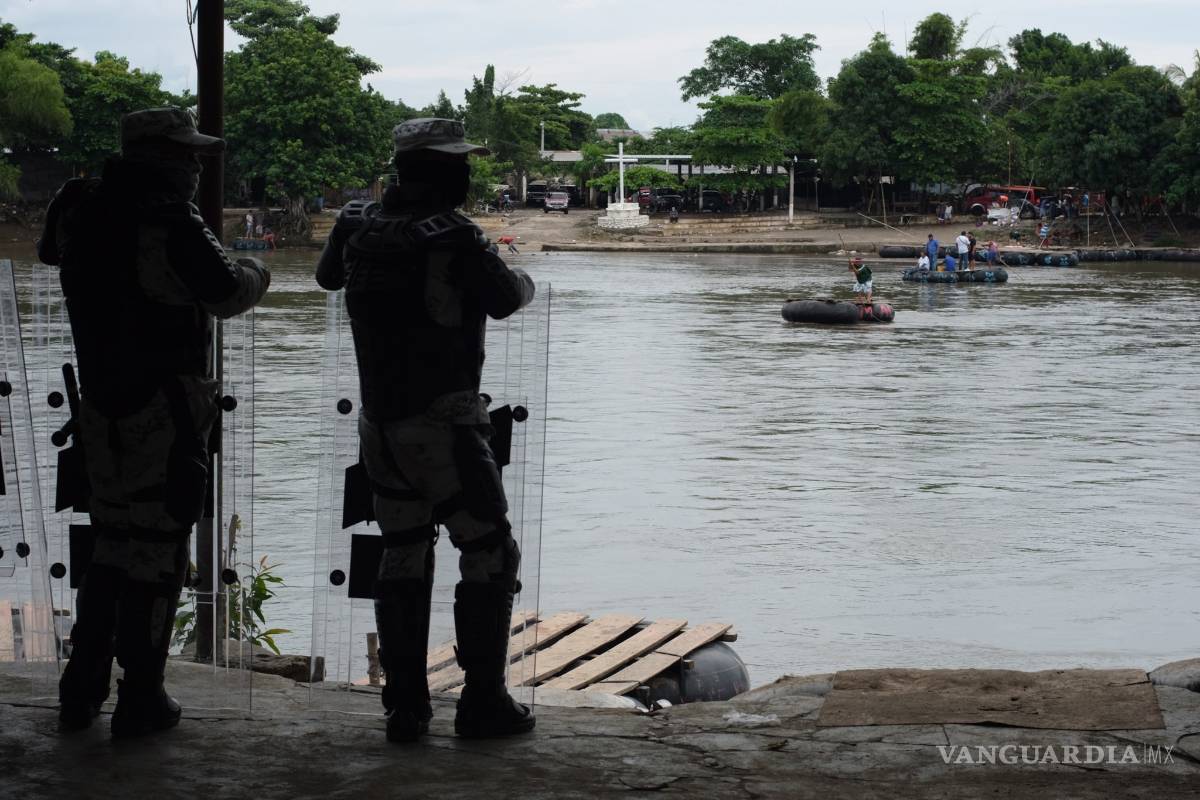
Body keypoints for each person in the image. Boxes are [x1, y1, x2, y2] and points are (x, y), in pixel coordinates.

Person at [37, 107, 270, 737]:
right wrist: (258, 271)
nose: (196, 166)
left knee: (110, 542)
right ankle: (141, 695)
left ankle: (81, 688)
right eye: (187, 154)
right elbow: (226, 292)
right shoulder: (170, 218)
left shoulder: (76, 204)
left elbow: (52, 255)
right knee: (160, 550)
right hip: (164, 409)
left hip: (98, 405)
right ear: (163, 159)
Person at [316, 118, 536, 743]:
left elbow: (327, 278)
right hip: (445, 422)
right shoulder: (456, 237)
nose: (467, 173)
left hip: (379, 424)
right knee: (490, 551)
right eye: (461, 164)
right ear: (443, 172)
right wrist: (519, 275)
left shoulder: (357, 226)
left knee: (403, 548)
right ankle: (483, 700)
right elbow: (506, 297)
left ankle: (405, 706)